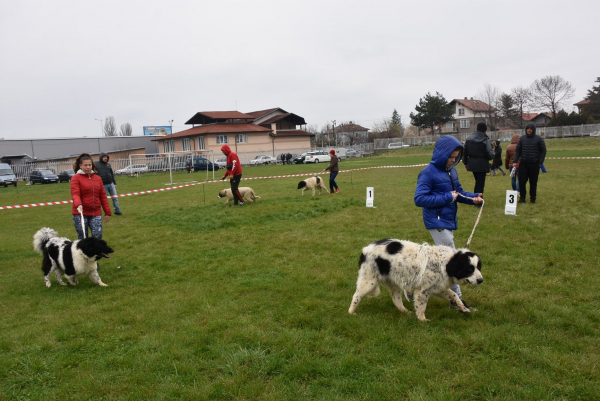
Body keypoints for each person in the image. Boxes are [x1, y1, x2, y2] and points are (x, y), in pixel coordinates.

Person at [415, 136, 483, 311]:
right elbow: (419, 198)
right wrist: (447, 197)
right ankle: (457, 301)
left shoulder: (452, 171)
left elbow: (458, 192)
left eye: (456, 157)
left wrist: (473, 198)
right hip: (436, 222)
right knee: (452, 260)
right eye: (450, 157)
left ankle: (412, 284)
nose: (453, 160)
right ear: (441, 154)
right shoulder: (427, 173)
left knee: (438, 261)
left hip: (448, 220)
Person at [71, 153, 111, 239]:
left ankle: (96, 252)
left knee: (97, 236)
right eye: (85, 165)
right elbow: (75, 193)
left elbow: (103, 196)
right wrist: (78, 204)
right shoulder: (75, 178)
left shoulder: (98, 178)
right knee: (83, 238)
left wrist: (107, 211)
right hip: (80, 213)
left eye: (89, 165)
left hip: (96, 212)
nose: (88, 167)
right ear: (80, 166)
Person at [513, 122, 546, 204]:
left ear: (533, 130)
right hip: (523, 163)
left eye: (531, 129)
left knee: (533, 182)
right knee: (522, 181)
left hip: (534, 164)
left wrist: (540, 162)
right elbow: (517, 151)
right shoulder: (522, 139)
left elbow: (543, 151)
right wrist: (515, 161)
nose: (529, 130)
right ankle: (522, 198)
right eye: (528, 129)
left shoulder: (539, 139)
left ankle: (533, 198)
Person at [462, 122, 495, 197]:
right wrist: (490, 158)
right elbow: (490, 153)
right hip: (482, 163)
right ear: (485, 130)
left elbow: (464, 151)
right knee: (480, 183)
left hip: (472, 163)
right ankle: (478, 200)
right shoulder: (485, 139)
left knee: (477, 181)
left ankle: (475, 197)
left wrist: (465, 162)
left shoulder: (469, 139)